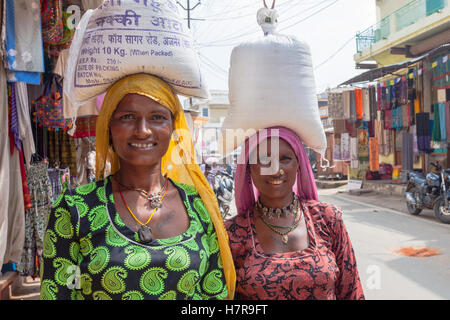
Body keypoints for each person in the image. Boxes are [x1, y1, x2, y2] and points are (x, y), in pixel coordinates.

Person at [40, 74, 235, 300]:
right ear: (109, 127)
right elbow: (59, 292)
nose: (142, 130)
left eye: (157, 117)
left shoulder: (198, 204)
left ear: (173, 128)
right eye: (128, 116)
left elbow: (214, 292)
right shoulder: (75, 208)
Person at [224, 126, 364, 300]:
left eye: (285, 159)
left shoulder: (327, 218)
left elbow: (351, 291)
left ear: (299, 164)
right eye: (264, 160)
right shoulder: (231, 233)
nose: (275, 170)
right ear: (248, 169)